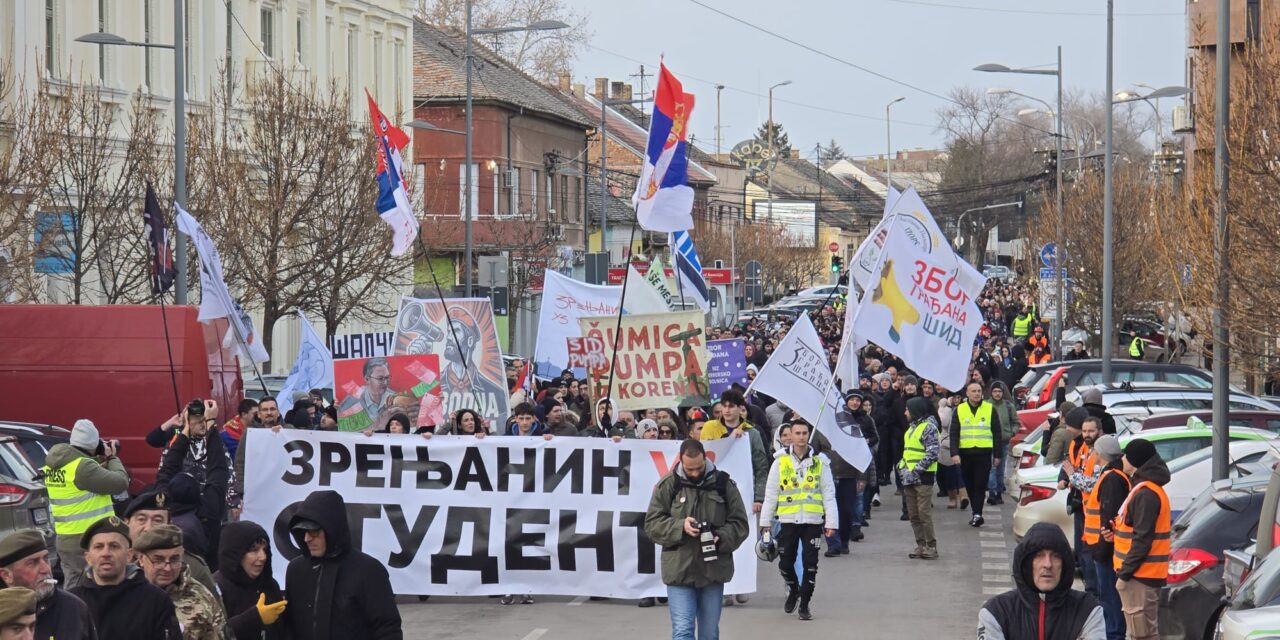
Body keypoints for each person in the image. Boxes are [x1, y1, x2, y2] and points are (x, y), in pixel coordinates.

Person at [644, 439, 750, 640]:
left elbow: (740, 524)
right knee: (682, 631)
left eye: (699, 468)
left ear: (706, 459)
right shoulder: (668, 485)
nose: (694, 473)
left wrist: (721, 536)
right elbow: (651, 525)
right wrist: (679, 526)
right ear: (681, 462)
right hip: (679, 570)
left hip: (713, 570)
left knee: (709, 634)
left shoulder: (724, 485)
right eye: (689, 469)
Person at [284, 490, 402, 639]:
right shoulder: (296, 570)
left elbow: (388, 629)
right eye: (302, 531)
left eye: (313, 531)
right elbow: (289, 625)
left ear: (331, 528)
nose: (307, 538)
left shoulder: (369, 570)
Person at [759, 420, 836, 620]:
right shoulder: (780, 462)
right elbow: (771, 494)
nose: (801, 437)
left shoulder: (821, 462)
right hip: (788, 521)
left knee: (811, 565)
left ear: (808, 435)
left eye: (805, 433)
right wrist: (765, 523)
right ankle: (793, 589)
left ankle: (805, 604)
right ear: (790, 436)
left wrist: (831, 524)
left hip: (812, 522)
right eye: (797, 433)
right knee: (785, 563)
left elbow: (828, 494)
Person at [40, 419, 129, 589]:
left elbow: (82, 485)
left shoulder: (58, 463)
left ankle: (71, 615)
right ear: (93, 443)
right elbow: (120, 482)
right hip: (85, 536)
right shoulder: (82, 467)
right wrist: (112, 457)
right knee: (90, 587)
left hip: (65, 536)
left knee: (73, 585)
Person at [978, 522, 1105, 639]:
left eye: (1056, 556)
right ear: (1027, 563)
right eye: (1039, 556)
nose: (1048, 564)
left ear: (1065, 563)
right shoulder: (996, 611)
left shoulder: (1087, 609)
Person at [71, 516, 182, 640]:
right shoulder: (72, 604)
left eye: (114, 546)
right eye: (99, 547)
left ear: (129, 555)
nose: (106, 553)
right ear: (88, 557)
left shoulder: (156, 601)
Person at [154, 401, 232, 568]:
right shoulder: (209, 511)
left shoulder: (164, 512)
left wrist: (185, 432)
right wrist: (212, 423)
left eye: (204, 420)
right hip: (206, 566)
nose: (201, 424)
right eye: (197, 420)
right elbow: (219, 471)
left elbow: (166, 471)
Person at [1107, 439, 1171, 640]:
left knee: (1142, 635)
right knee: (1139, 633)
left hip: (1139, 575)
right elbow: (1136, 531)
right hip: (1140, 574)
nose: (1122, 459)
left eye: (1126, 456)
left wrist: (1124, 575)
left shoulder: (1146, 493)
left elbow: (1142, 540)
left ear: (1135, 461)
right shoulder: (1144, 488)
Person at [134, 524, 227, 639]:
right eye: (158, 560)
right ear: (141, 559)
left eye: (174, 559)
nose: (167, 568)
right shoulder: (126, 595)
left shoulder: (201, 595)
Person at [0, 529, 94, 640]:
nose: (45, 569)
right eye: (32, 563)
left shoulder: (74, 609)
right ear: (6, 575)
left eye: (46, 558)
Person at [123, 490, 219, 598]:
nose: (149, 528)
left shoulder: (194, 567)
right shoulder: (115, 560)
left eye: (157, 520)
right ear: (126, 522)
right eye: (141, 519)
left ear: (169, 524)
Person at [1082, 435, 1130, 640]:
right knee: (1109, 596)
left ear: (1099, 453)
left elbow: (1108, 517)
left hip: (1106, 549)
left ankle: (1113, 634)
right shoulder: (1112, 475)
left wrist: (1101, 550)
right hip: (1104, 547)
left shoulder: (1112, 478)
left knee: (1110, 597)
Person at [700, 391, 770, 522]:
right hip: (713, 492)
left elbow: (761, 467)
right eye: (724, 405)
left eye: (731, 406)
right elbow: (706, 457)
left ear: (740, 408)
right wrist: (729, 440)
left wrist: (759, 498)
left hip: (744, 493)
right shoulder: (709, 427)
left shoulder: (752, 433)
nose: (726, 410)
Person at [215, 521, 286, 640]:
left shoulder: (270, 585)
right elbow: (210, 633)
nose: (262, 557)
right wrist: (254, 618)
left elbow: (284, 629)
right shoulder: (216, 588)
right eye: (254, 550)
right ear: (236, 553)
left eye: (264, 550)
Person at [949, 382, 1003, 527]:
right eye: (973, 391)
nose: (977, 393)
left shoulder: (989, 409)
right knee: (970, 485)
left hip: (983, 453)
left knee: (980, 484)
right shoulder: (960, 409)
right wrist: (954, 453)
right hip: (965, 454)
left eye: (979, 391)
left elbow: (997, 433)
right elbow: (954, 433)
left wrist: (997, 455)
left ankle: (978, 514)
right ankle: (975, 512)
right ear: (967, 393)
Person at [1061, 415, 1103, 597]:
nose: (1086, 434)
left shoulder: (1100, 453)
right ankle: (1091, 592)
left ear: (1099, 432)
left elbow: (1093, 483)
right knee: (1085, 554)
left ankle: (1094, 595)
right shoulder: (1086, 449)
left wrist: (1072, 476)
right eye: (1085, 431)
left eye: (1090, 431)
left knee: (1092, 558)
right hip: (1086, 511)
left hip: (1097, 516)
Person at [899, 398, 940, 560]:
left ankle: (931, 546)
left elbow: (932, 453)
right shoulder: (911, 429)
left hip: (923, 477)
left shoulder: (928, 428)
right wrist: (902, 468)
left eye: (907, 410)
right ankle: (920, 545)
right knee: (914, 514)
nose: (905, 413)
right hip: (909, 477)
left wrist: (915, 471)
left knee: (924, 513)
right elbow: (907, 452)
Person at [337, 357, 396, 428]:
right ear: (367, 379)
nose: (385, 382)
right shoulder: (351, 402)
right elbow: (343, 429)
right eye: (380, 379)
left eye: (387, 377)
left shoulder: (395, 399)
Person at [986, 381, 1018, 506]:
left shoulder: (1009, 406)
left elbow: (1016, 422)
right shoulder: (986, 405)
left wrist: (1011, 433)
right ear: (991, 393)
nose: (997, 394)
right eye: (995, 391)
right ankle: (992, 493)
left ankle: (999, 492)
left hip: (1004, 441)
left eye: (999, 391)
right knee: (992, 468)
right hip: (989, 441)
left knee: (1000, 468)